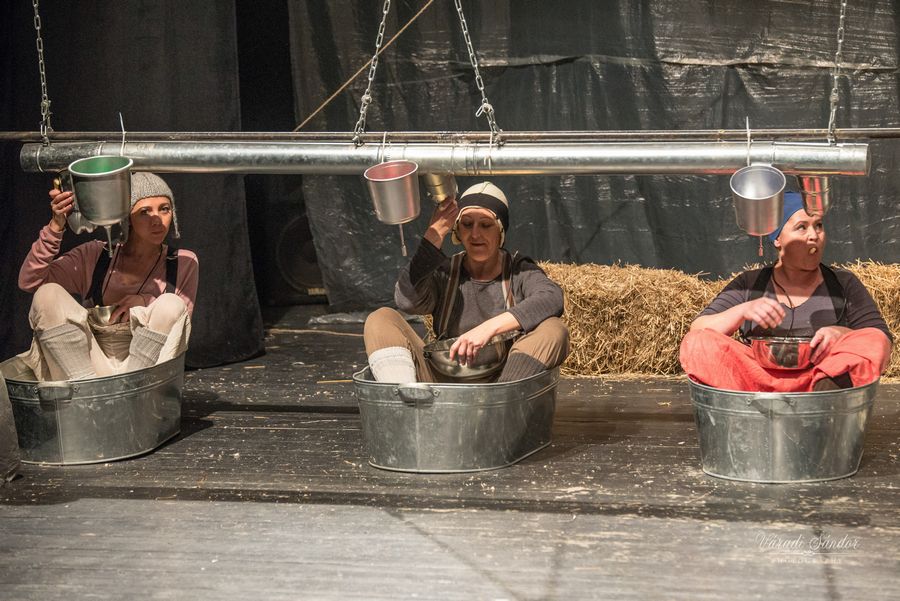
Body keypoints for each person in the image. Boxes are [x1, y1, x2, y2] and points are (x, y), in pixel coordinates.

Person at [680, 192, 892, 392]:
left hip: (820, 378)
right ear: (777, 239)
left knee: (874, 340)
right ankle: (748, 406)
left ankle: (821, 404)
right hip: (756, 380)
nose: (814, 236)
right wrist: (742, 311)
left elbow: (879, 339)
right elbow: (698, 329)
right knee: (698, 342)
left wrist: (843, 334)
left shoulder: (843, 282)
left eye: (818, 226)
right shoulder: (750, 283)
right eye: (802, 227)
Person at [364, 181, 570, 383]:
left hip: (502, 379)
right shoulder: (446, 271)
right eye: (467, 224)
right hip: (442, 379)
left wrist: (487, 329)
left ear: (500, 231)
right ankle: (405, 398)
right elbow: (406, 301)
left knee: (554, 329)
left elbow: (551, 298)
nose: (475, 234)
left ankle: (502, 400)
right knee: (381, 318)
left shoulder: (519, 270)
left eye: (486, 225)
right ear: (457, 230)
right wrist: (432, 237)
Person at [17, 172, 199, 381]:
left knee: (171, 304)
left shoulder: (183, 261)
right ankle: (89, 390)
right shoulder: (94, 255)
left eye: (164, 209)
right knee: (47, 294)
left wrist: (144, 301)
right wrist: (56, 226)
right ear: (127, 217)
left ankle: (129, 389)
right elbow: (30, 281)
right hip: (90, 367)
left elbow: (180, 328)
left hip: (147, 370)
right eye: (145, 212)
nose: (157, 219)